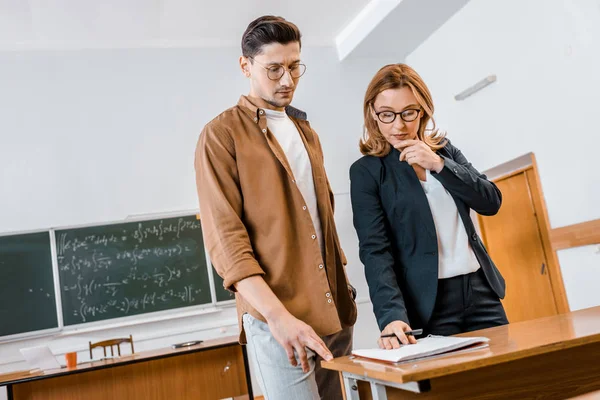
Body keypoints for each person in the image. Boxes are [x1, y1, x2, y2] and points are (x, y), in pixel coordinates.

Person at [195, 15, 357, 400]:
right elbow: (227, 243)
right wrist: (278, 318)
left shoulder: (307, 132)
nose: (287, 80)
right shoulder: (220, 135)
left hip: (334, 313)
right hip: (277, 321)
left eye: (294, 67)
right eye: (274, 69)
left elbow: (322, 219)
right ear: (245, 66)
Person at [350, 63, 508, 350]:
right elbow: (375, 251)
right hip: (427, 304)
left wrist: (438, 164)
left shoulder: (445, 151)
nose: (398, 125)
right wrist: (391, 316)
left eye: (408, 112)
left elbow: (490, 201)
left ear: (423, 110)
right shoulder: (368, 171)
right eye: (386, 115)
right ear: (373, 114)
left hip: (481, 292)